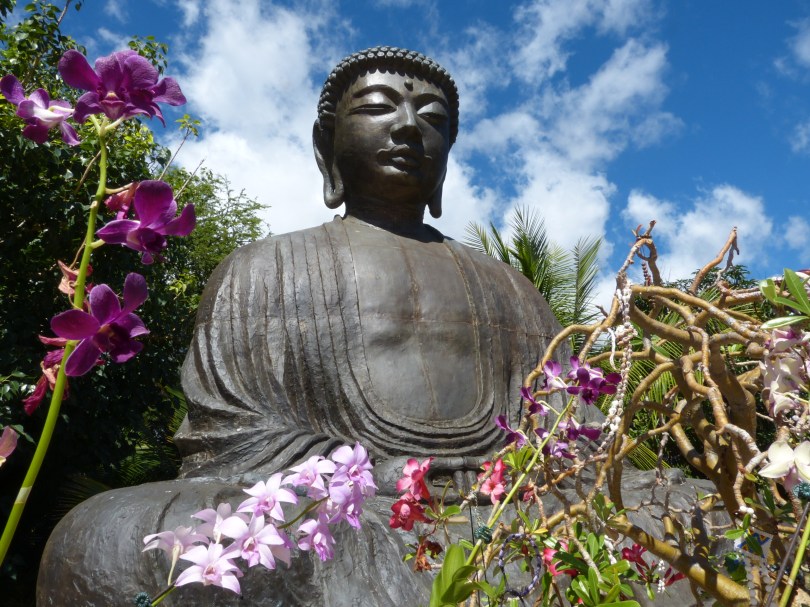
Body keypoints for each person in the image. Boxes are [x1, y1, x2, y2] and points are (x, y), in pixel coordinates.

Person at [37, 47, 570, 606]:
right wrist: (365, 471)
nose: (410, 127)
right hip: (339, 510)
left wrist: (504, 479)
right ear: (327, 145)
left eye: (434, 119)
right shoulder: (262, 269)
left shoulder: (511, 287)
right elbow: (225, 434)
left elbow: (573, 431)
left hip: (507, 506)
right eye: (379, 107)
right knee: (102, 538)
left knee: (663, 503)